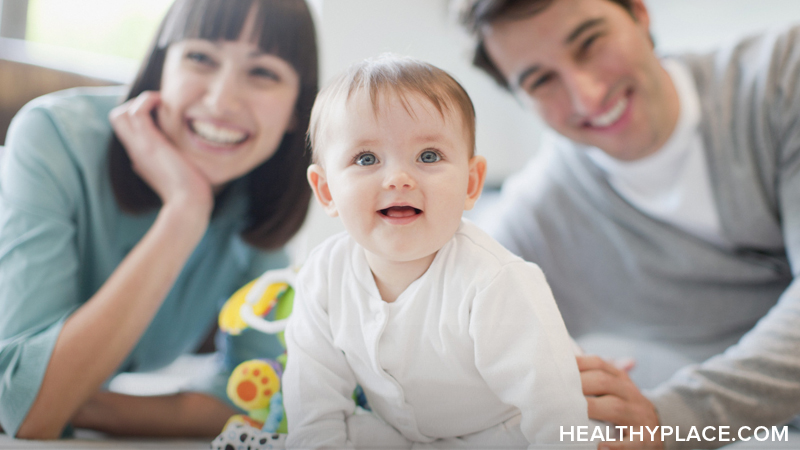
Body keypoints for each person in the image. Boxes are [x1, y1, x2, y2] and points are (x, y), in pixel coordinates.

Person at [458, 0, 800, 448]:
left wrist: (670, 419)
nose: (588, 95)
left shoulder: (782, 75)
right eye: (542, 81)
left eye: (590, 43)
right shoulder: (538, 217)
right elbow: (439, 312)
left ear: (640, 13)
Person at [0, 0, 317, 440]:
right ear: (159, 70)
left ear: (296, 112)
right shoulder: (53, 136)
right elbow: (27, 413)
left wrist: (74, 400)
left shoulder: (259, 194)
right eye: (201, 58)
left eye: (263, 72)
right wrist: (185, 213)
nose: (221, 100)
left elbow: (259, 401)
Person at [282, 54, 593, 449]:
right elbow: (313, 398)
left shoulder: (495, 280)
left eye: (428, 156)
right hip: (406, 434)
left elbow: (554, 409)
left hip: (508, 431)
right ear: (326, 191)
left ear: (471, 183)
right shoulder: (322, 275)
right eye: (366, 159)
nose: (398, 178)